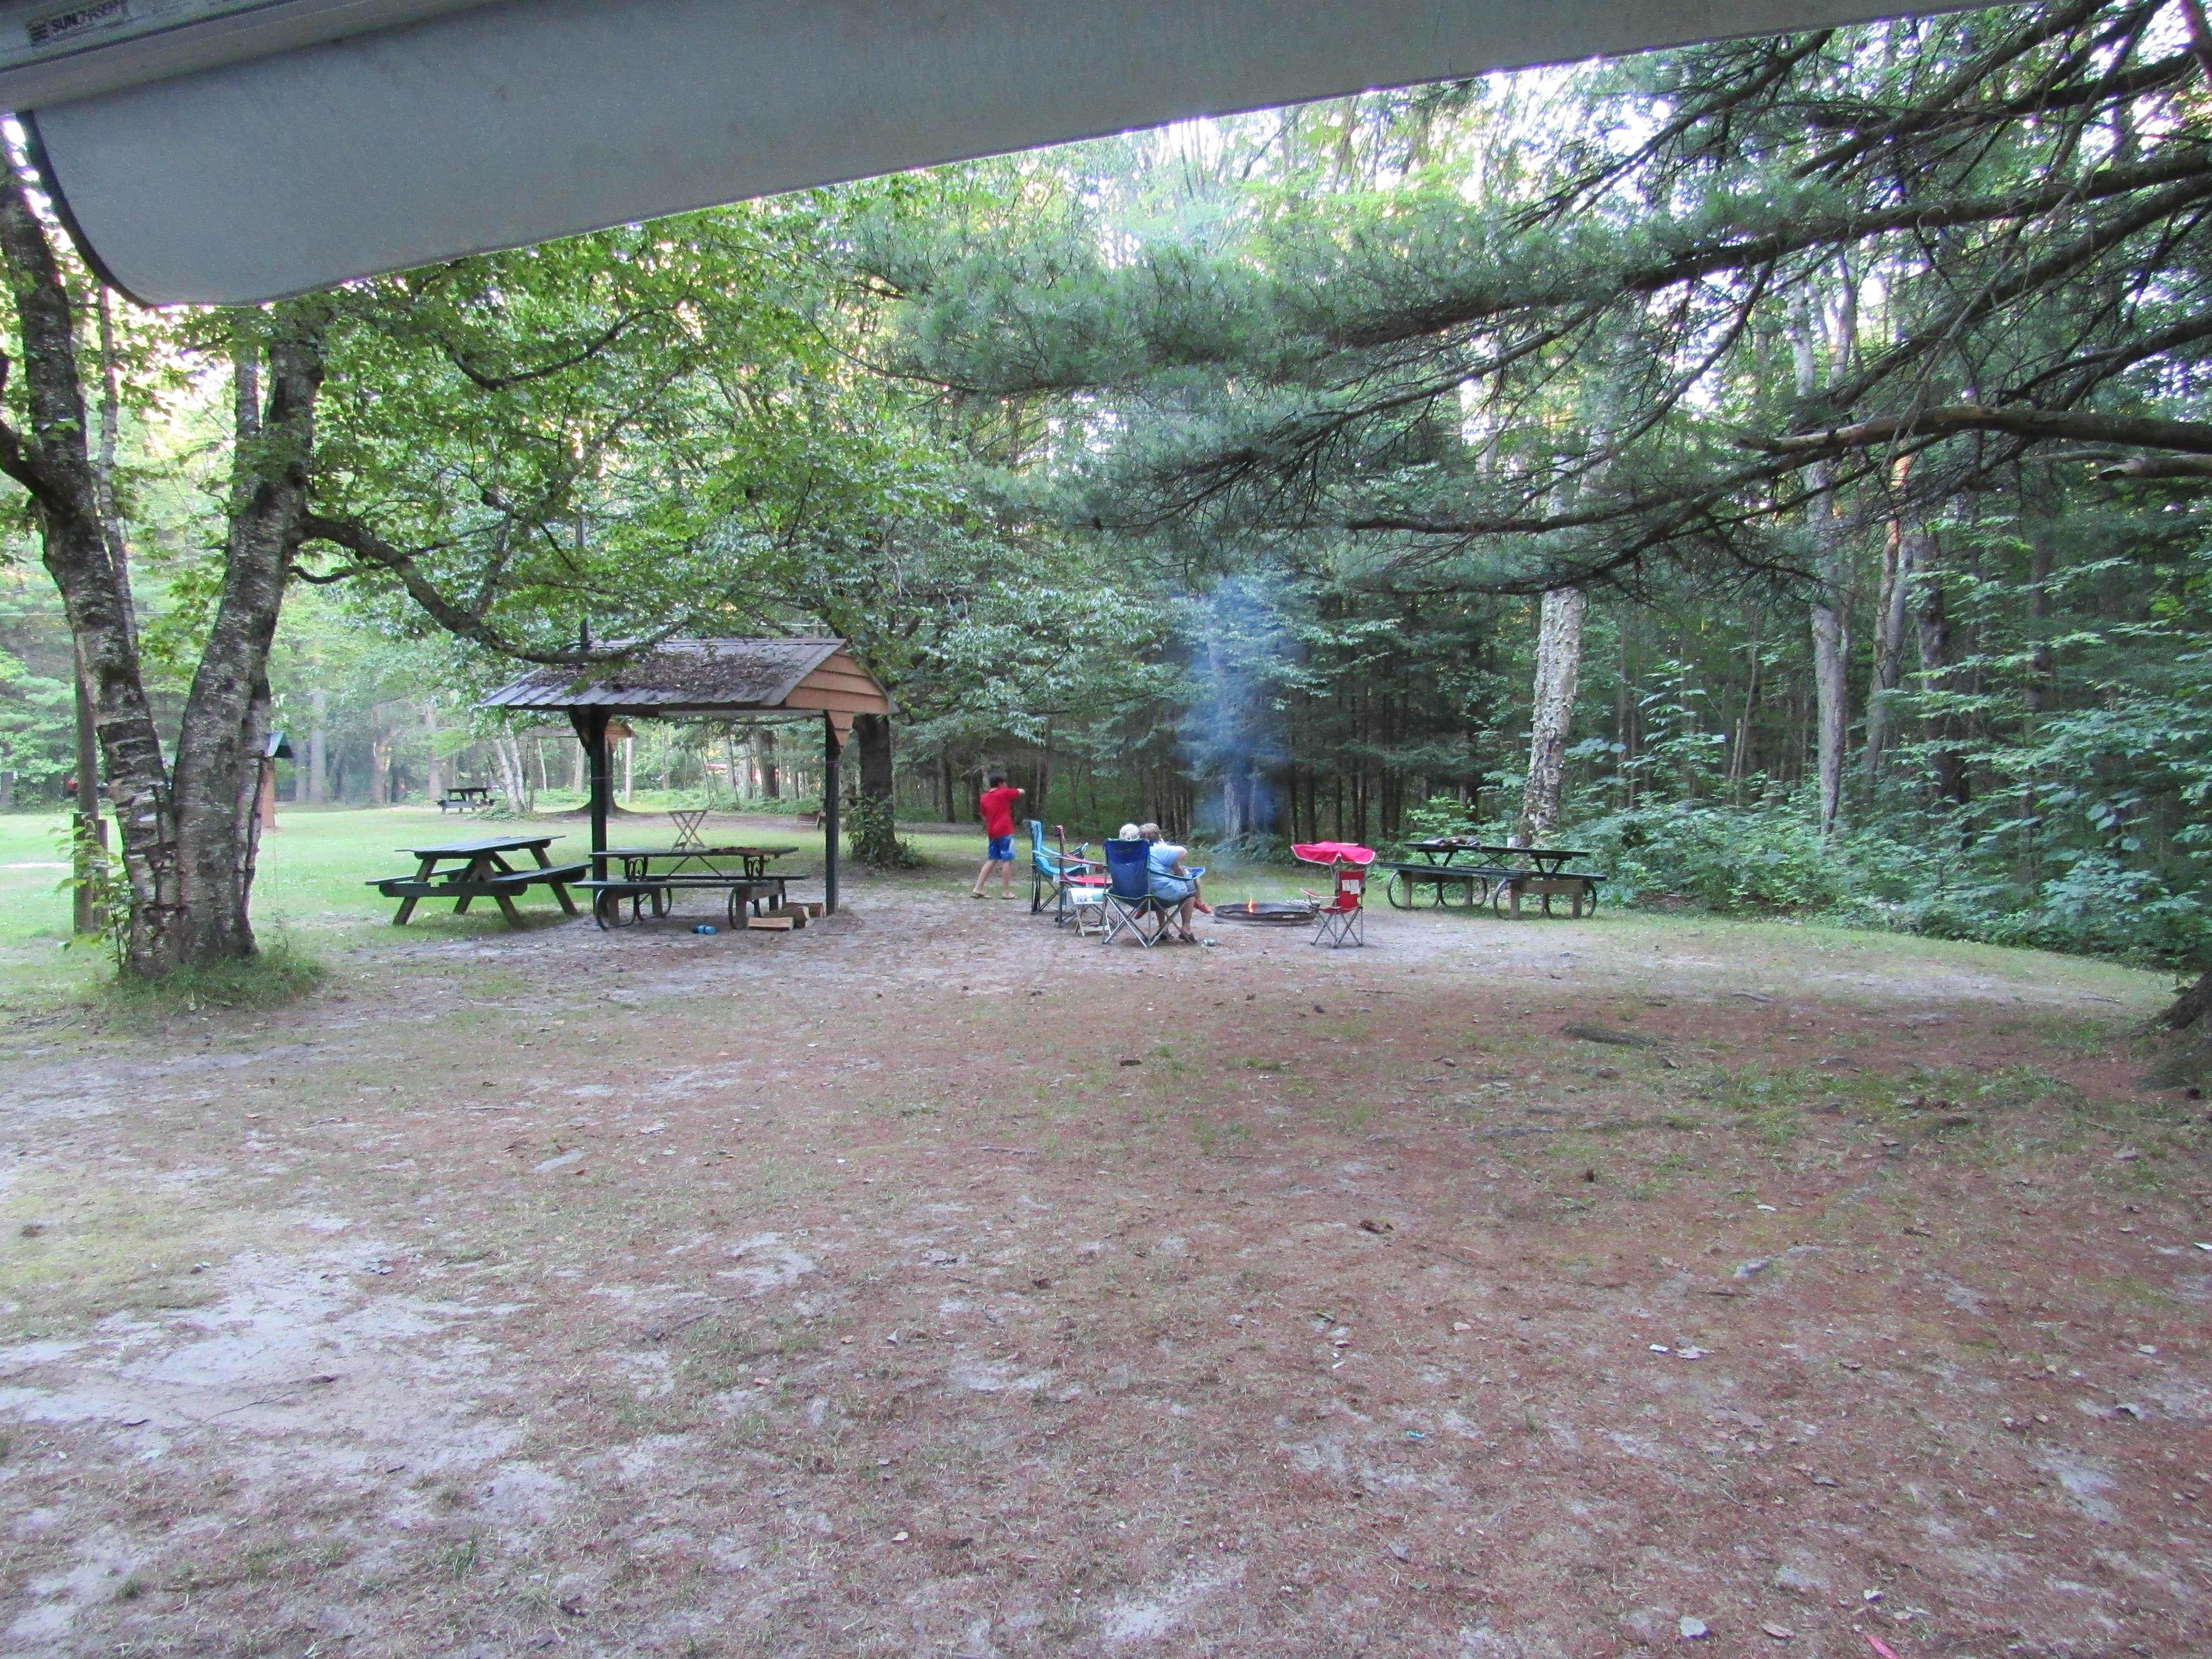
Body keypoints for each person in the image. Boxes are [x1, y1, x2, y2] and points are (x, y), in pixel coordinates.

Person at [1139, 821, 1202, 942]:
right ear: (1158, 836)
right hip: (1162, 894)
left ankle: (1164, 928)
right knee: (1191, 885)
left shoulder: (1135, 851)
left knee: (1158, 883)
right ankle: (1186, 928)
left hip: (1141, 894)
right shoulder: (1160, 849)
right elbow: (1183, 852)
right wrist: (1165, 847)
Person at [971, 773, 1026, 898]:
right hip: (1005, 831)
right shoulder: (1003, 793)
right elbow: (1021, 792)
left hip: (992, 832)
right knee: (1007, 860)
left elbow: (984, 815)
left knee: (992, 860)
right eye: (1005, 783)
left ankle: (978, 888)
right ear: (1001, 784)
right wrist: (1012, 790)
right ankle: (1006, 892)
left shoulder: (984, 797)